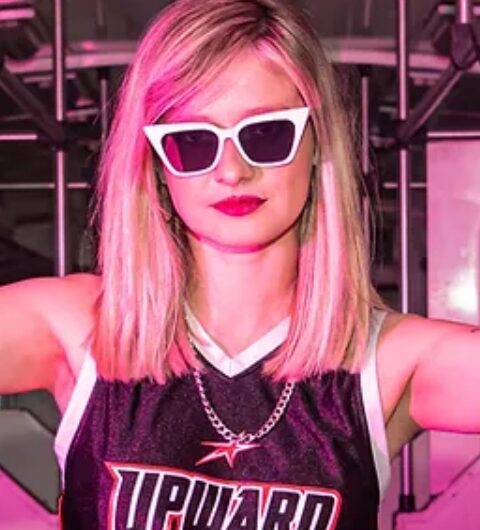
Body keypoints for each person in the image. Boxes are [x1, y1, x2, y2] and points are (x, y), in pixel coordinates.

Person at [1, 0, 479, 528]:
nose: (232, 170)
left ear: (317, 142)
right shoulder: (79, 329)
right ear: (158, 165)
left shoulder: (387, 361)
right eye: (192, 142)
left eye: (266, 134)